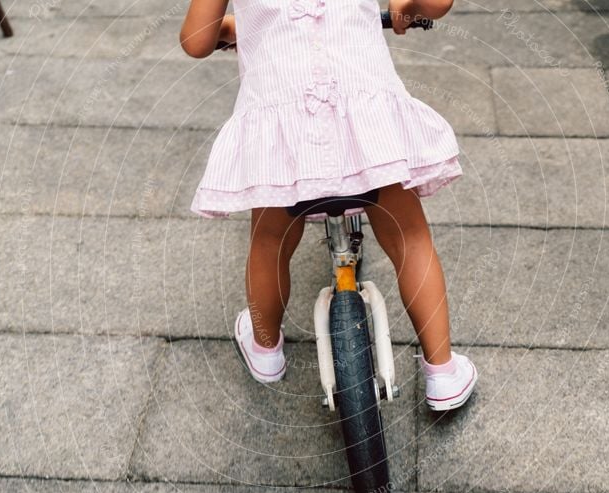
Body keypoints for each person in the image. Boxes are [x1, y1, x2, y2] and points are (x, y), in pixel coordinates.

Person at [180, 0, 477, 410]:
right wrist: (406, 11)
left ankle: (265, 349)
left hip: (281, 125)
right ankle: (443, 374)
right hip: (366, 114)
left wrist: (235, 27)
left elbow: (196, 41)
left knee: (269, 239)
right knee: (409, 235)